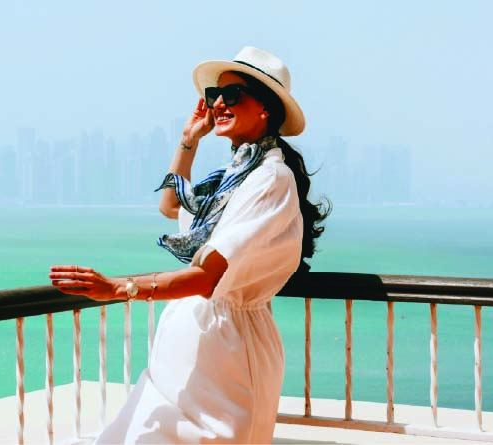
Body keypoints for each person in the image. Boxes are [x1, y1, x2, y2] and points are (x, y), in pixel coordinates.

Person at [49, 46, 329, 444]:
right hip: (180, 362)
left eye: (232, 95)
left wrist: (117, 288)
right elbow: (170, 206)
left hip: (227, 359)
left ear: (266, 108)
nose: (218, 103)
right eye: (215, 94)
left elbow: (208, 278)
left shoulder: (270, 179)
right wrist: (188, 140)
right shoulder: (230, 178)